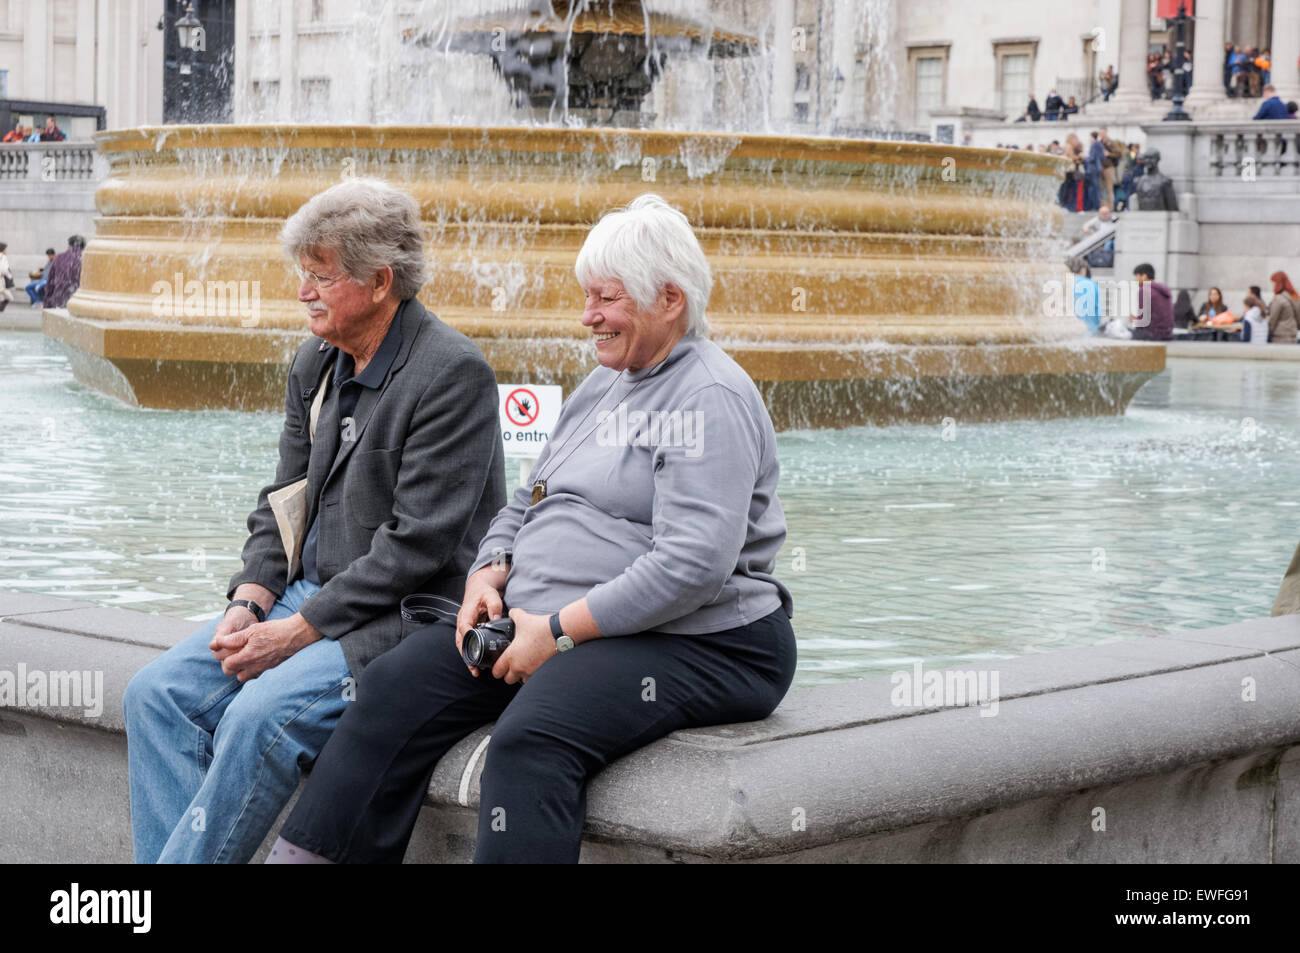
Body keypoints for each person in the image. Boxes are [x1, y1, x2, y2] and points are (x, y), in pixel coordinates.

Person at [264, 194, 798, 865]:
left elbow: (691, 565)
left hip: (705, 641)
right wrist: (489, 568)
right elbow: (528, 498)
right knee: (394, 684)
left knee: (533, 737)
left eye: (606, 299)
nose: (588, 316)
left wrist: (558, 630)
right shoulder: (602, 386)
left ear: (669, 300)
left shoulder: (708, 397)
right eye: (587, 297)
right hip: (546, 620)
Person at [122, 178, 508, 864]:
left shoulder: (453, 373)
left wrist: (296, 632)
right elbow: (283, 497)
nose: (304, 291)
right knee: (155, 696)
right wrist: (251, 597)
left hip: (396, 619)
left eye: (321, 276)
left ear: (381, 281)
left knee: (254, 718)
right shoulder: (315, 361)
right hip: (307, 598)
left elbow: (416, 549)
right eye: (303, 273)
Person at [40, 234, 85, 309]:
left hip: (59, 301)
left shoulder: (59, 258)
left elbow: (50, 283)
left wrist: (47, 303)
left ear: (69, 245)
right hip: (79, 304)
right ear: (84, 247)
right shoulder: (87, 259)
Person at [1132, 263, 1173, 341]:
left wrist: (1135, 323)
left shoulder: (1144, 290)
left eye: (1136, 276)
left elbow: (1142, 320)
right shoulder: (1163, 290)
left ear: (1144, 276)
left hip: (1153, 334)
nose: (1135, 280)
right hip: (1168, 333)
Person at [1069, 257, 1101, 335]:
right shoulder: (1092, 285)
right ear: (1083, 269)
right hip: (1088, 330)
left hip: (1066, 330)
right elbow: (1098, 313)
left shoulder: (1063, 283)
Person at [1266, 270, 1299, 342]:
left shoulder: (1278, 299)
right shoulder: (1295, 297)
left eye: (1273, 283)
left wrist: (1268, 331)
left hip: (1280, 336)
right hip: (1293, 335)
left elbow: (1273, 319)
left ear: (1277, 283)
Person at [0, 242, 13, 312]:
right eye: (5, 249)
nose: (6, 251)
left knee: (3, 297)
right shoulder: (3, 257)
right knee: (9, 297)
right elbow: (4, 269)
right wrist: (10, 276)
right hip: (1, 280)